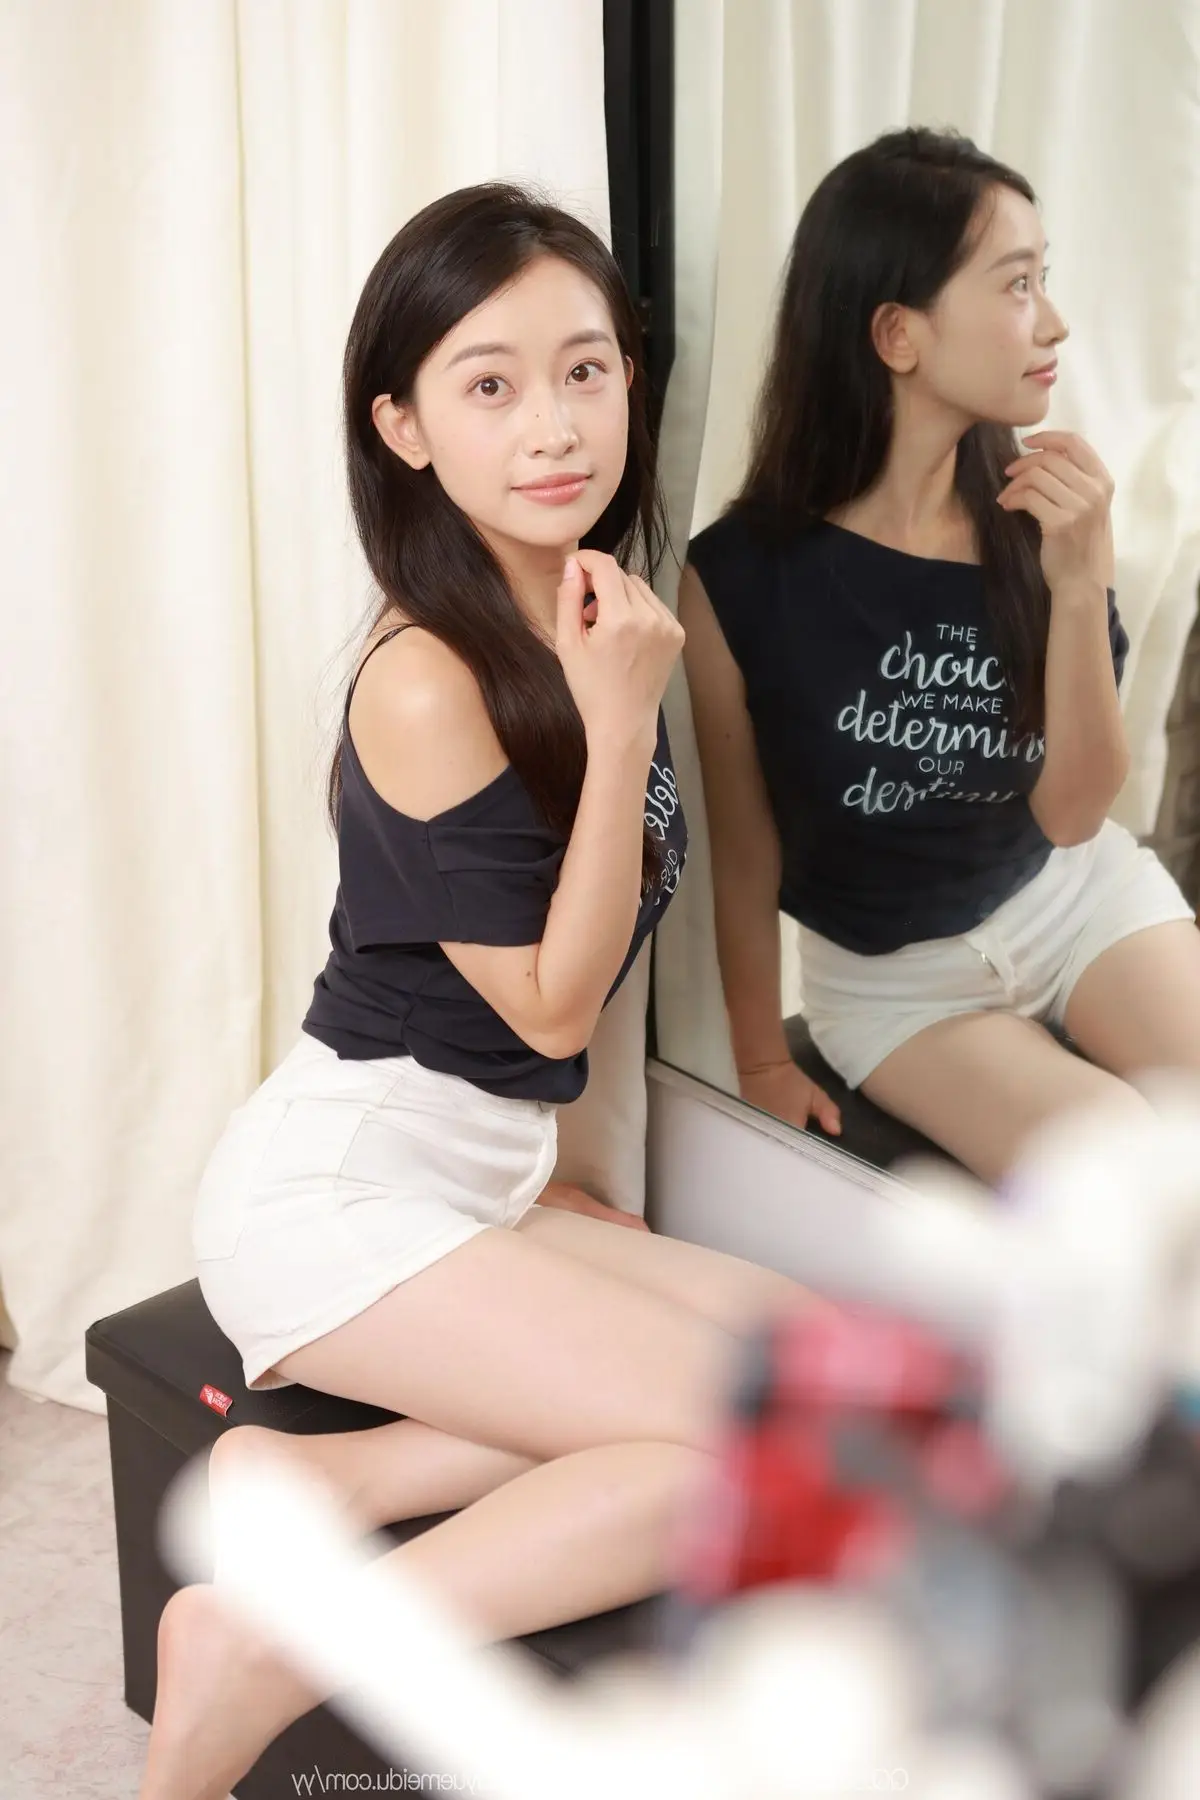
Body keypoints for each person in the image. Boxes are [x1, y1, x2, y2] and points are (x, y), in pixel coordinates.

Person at [139, 185, 816, 1800]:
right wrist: (625, 721)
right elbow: (555, 1011)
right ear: (405, 427)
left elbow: (553, 995)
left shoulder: (572, 605)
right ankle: (268, 1649)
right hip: (337, 1200)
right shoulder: (432, 675)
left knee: (820, 1365)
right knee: (742, 1450)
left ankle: (336, 1486)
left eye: (585, 370)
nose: (554, 427)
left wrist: (552, 1179)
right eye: (490, 385)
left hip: (471, 1179)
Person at [681, 127, 1200, 1185]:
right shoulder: (740, 577)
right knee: (1134, 1177)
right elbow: (744, 843)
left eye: (1044, 277)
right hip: (898, 989)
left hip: (1075, 901)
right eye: (1017, 284)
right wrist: (759, 1057)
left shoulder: (1041, 519)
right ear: (898, 334)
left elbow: (1074, 814)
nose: (1053, 320)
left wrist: (1078, 583)